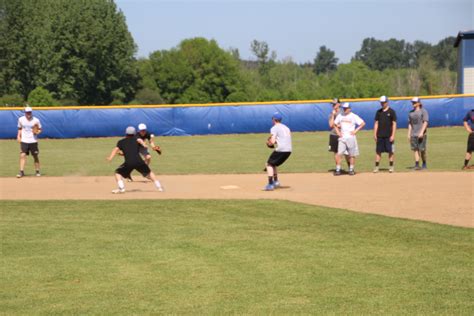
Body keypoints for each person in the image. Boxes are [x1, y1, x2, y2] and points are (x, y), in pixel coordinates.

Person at [107, 126, 163, 194]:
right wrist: (144, 144)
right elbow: (140, 141)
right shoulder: (136, 140)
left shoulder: (121, 142)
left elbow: (116, 149)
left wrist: (110, 157)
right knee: (149, 173)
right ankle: (159, 187)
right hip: (139, 161)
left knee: (117, 173)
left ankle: (121, 189)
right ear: (134, 133)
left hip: (129, 163)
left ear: (125, 133)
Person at [333, 103, 365, 176]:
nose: (345, 109)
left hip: (350, 137)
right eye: (344, 108)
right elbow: (334, 124)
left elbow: (362, 123)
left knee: (351, 154)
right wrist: (338, 132)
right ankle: (338, 169)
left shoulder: (353, 116)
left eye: (346, 108)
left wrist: (355, 131)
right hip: (342, 137)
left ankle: (351, 169)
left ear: (350, 108)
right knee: (339, 153)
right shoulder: (340, 115)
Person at [264, 112, 292, 191]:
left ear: (274, 119)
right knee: (274, 163)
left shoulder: (274, 128)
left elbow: (272, 142)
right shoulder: (286, 127)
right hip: (289, 150)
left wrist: (269, 142)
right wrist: (275, 141)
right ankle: (276, 181)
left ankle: (270, 184)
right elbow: (284, 139)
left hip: (281, 149)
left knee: (269, 164)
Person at [373, 95, 397, 173]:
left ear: (387, 102)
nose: (382, 104)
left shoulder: (391, 111)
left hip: (388, 135)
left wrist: (393, 135)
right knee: (378, 151)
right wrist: (375, 134)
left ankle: (391, 166)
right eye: (381, 102)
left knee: (390, 151)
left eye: (384, 102)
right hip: (380, 135)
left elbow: (394, 124)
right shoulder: (378, 112)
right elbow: (376, 123)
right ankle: (376, 167)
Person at [16, 106, 42, 178]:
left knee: (35, 156)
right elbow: (20, 128)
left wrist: (37, 132)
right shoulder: (21, 119)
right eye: (27, 112)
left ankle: (37, 171)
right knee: (22, 155)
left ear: (31, 112)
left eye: (29, 112)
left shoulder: (36, 120)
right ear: (25, 112)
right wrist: (18, 136)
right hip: (24, 140)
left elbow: (40, 129)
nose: (28, 113)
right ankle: (21, 172)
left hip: (33, 141)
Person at [328, 98, 350, 170]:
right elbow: (331, 125)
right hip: (334, 135)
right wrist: (333, 116)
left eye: (335, 104)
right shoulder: (331, 114)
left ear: (339, 104)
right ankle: (338, 168)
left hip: (343, 134)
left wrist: (337, 125)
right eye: (332, 104)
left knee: (347, 153)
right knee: (336, 152)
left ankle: (350, 168)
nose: (333, 105)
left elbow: (345, 123)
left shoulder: (343, 113)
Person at [408, 97, 429, 170]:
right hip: (413, 134)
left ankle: (424, 163)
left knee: (422, 150)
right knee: (415, 149)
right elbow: (410, 124)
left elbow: (425, 122)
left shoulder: (423, 111)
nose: (413, 103)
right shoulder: (411, 112)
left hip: (421, 134)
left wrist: (422, 132)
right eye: (412, 102)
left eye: (414, 102)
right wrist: (409, 134)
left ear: (419, 103)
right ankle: (417, 164)